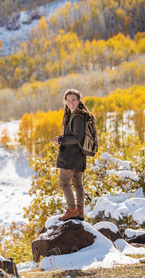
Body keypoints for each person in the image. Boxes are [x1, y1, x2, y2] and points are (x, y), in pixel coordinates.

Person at [51, 89, 96, 221]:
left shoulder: (77, 117)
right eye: (68, 100)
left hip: (71, 156)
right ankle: (80, 211)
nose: (71, 103)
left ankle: (72, 210)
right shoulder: (78, 115)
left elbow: (77, 137)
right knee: (77, 184)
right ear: (65, 101)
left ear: (79, 100)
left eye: (73, 100)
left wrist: (61, 140)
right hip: (79, 156)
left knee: (63, 183)